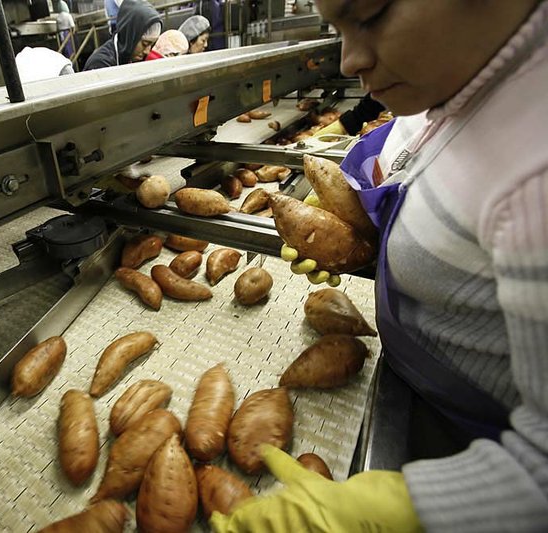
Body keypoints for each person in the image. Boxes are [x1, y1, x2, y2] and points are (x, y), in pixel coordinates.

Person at [212, 1, 548, 532]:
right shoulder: (454, 83)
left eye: (368, 15)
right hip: (416, 386)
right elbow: (418, 166)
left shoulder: (536, 173)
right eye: (335, 28)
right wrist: (365, 238)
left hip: (480, 441)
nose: (348, 60)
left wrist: (426, 508)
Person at [83, 0, 161, 70]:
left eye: (151, 44)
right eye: (145, 44)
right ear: (129, 36)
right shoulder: (100, 64)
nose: (147, 51)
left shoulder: (134, 58)